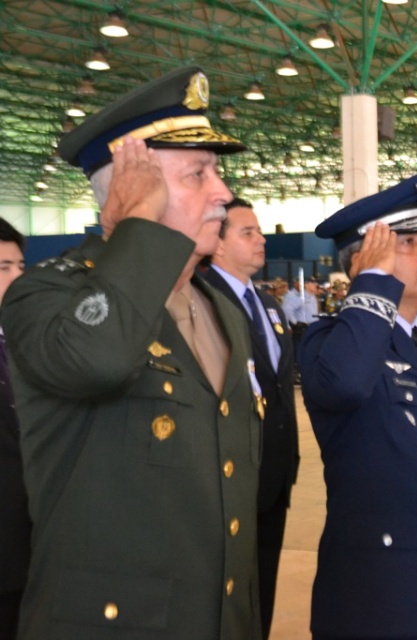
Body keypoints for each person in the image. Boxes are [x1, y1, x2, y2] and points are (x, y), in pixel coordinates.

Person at [2, 67, 262, 638]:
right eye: (198, 173)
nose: (222, 193)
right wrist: (135, 228)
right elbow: (99, 357)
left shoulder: (219, 311)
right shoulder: (46, 294)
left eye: (216, 172)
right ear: (132, 187)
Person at [302, 175, 417, 638]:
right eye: (410, 241)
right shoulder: (333, 342)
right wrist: (371, 283)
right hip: (379, 586)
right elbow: (345, 386)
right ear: (366, 260)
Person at [200, 198, 300, 639]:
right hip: (232, 472)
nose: (261, 240)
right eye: (247, 233)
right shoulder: (203, 300)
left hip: (275, 471)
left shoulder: (268, 304)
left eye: (259, 232)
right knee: (229, 591)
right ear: (217, 246)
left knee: (265, 582)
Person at [0, 218, 26, 640]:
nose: (18, 276)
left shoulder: (22, 341)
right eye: (4, 267)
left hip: (29, 548)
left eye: (20, 265)